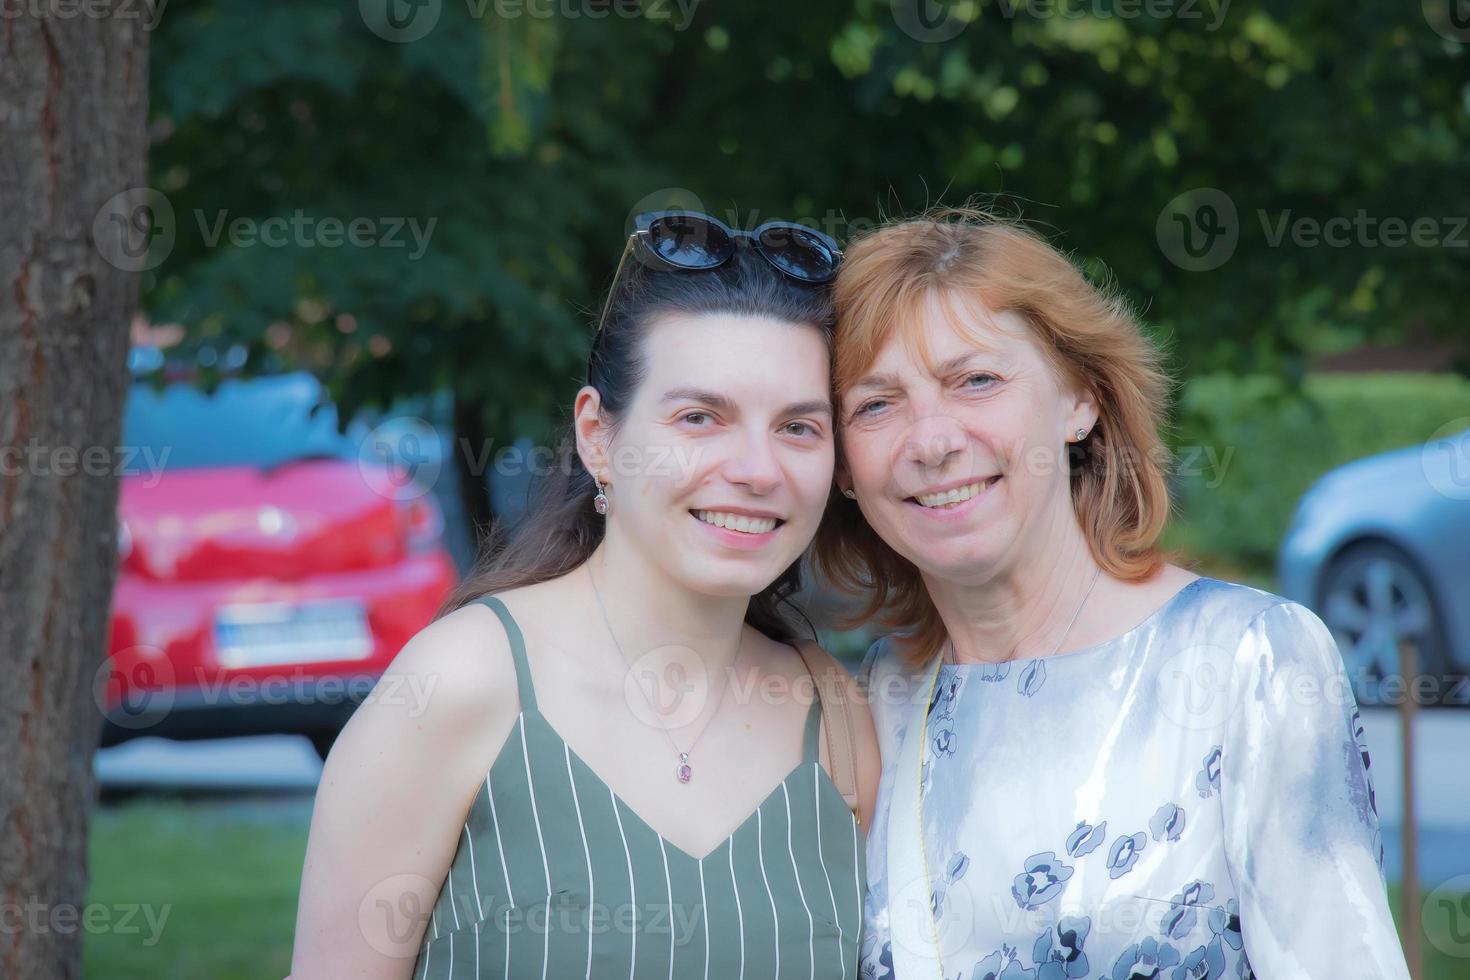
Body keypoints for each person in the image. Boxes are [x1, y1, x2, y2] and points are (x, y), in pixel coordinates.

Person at [815, 207, 1409, 980]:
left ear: (1080, 401)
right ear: (843, 468)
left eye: (977, 380)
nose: (932, 441)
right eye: (876, 404)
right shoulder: (882, 701)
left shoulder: (1251, 659)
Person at [289, 211, 879, 979]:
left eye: (798, 428)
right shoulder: (459, 684)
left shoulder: (836, 718)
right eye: (701, 418)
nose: (758, 469)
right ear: (599, 437)